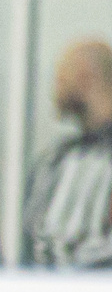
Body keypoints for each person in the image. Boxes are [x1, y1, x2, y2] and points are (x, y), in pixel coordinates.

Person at [24, 37, 112, 269]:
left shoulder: (63, 160)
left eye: (61, 77)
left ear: (85, 77)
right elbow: (23, 236)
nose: (55, 90)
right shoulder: (57, 158)